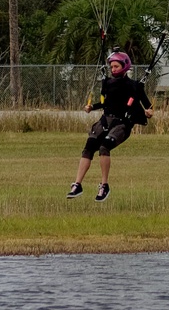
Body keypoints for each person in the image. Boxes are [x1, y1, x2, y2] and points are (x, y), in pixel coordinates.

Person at [66, 51, 154, 202]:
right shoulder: (107, 83)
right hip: (105, 120)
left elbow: (148, 106)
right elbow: (106, 103)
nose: (113, 69)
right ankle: (77, 185)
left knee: (104, 147)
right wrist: (91, 107)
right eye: (111, 66)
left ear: (124, 66)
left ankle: (104, 186)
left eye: (116, 66)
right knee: (89, 146)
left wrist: (148, 111)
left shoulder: (135, 86)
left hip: (122, 124)